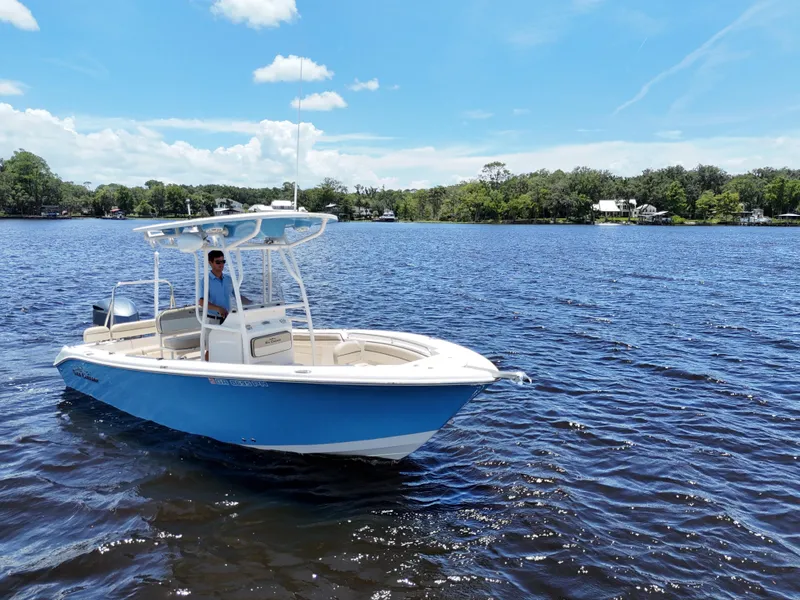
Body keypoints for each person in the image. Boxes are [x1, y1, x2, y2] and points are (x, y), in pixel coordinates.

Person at [198, 250, 251, 320]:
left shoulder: (228, 279)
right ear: (210, 263)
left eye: (223, 261)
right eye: (218, 262)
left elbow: (238, 296)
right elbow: (201, 302)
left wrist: (252, 304)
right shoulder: (205, 281)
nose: (221, 264)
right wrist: (218, 309)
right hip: (213, 320)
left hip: (228, 319)